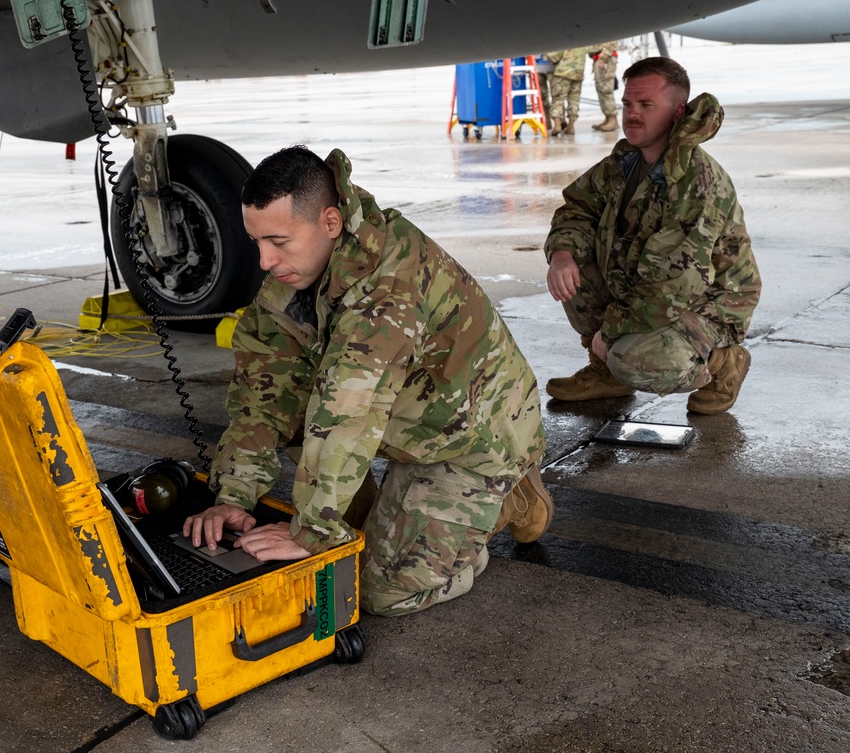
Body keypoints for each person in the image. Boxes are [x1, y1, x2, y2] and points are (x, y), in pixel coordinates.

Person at [183, 145, 551, 616]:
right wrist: (233, 495)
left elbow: (349, 412)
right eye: (257, 242)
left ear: (330, 223)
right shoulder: (292, 280)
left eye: (278, 241)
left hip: (472, 437)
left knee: (379, 592)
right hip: (407, 417)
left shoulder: (390, 285)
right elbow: (262, 398)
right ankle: (362, 518)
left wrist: (313, 533)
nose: (264, 261)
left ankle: (510, 496)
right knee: (294, 407)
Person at [544, 57, 761, 415]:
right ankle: (607, 374)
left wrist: (611, 331)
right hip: (649, 287)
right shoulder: (627, 161)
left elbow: (672, 285)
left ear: (677, 113)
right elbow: (578, 207)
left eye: (646, 105)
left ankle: (723, 362)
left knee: (633, 359)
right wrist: (563, 253)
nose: (632, 114)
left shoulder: (695, 181)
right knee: (573, 268)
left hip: (709, 303)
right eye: (628, 103)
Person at [544, 47, 589, 136]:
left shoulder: (566, 40)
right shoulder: (583, 41)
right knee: (574, 101)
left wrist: (545, 54)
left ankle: (557, 125)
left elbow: (554, 56)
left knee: (558, 100)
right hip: (578, 73)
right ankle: (571, 126)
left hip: (563, 73)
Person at [588, 41, 619, 131]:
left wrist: (603, 58)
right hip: (599, 58)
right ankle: (607, 117)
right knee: (601, 89)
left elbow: (611, 41)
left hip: (606, 59)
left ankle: (613, 119)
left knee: (606, 89)